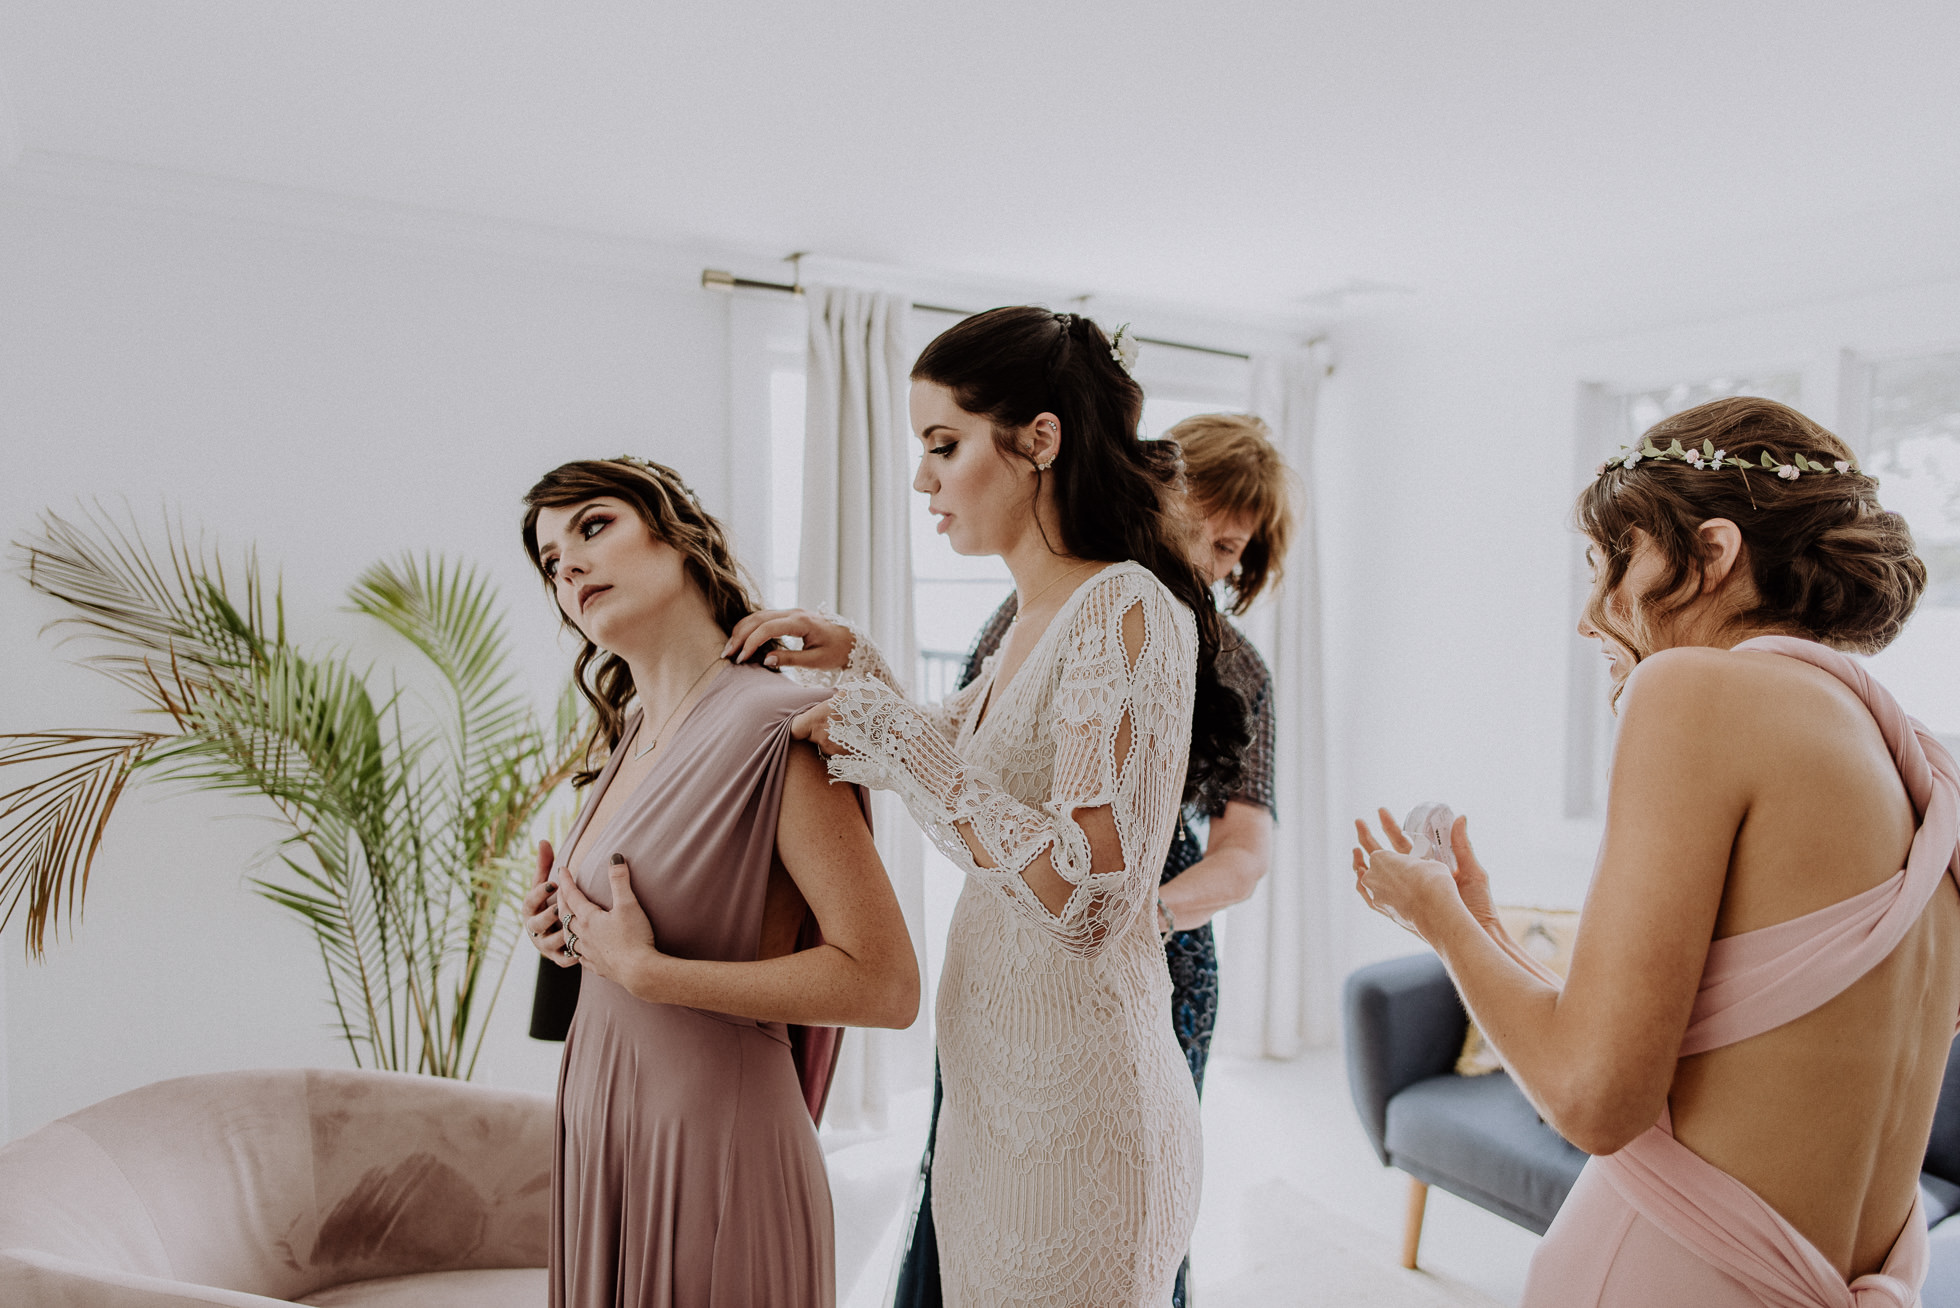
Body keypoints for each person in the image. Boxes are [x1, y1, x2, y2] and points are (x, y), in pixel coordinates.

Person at [1351, 397, 1958, 1306]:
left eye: (1610, 563)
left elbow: (1594, 1101)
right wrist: (1483, 923)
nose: (1591, 617)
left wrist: (1434, 916)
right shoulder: (1922, 774)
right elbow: (1698, 1047)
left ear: (1713, 554)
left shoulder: (1691, 691)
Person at [723, 307, 1250, 1308]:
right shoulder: (1031, 618)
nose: (922, 478)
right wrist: (865, 670)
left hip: (1081, 1120)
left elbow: (1087, 892)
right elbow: (978, 771)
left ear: (1039, 440)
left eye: (943, 445)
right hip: (994, 1100)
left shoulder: (1126, 607)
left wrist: (894, 733)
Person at [895, 411, 1291, 1307]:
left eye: (1233, 550)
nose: (1213, 562)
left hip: (1146, 933)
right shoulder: (1038, 601)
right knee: (976, 1172)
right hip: (1011, 930)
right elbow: (968, 761)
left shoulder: (1238, 667)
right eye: (1202, 528)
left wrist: (1146, 916)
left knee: (1114, 1209)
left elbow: (1244, 850)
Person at [517, 457, 920, 1308]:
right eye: (552, 562)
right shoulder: (627, 734)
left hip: (716, 1151)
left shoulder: (776, 723)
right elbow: (637, 931)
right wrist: (567, 933)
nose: (571, 567)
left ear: (684, 540)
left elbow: (885, 984)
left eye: (594, 527)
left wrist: (654, 975)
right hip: (603, 1135)